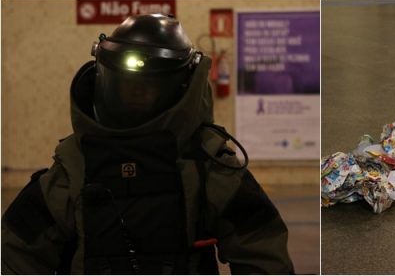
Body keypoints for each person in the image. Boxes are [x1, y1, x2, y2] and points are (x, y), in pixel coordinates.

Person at [1, 14, 294, 274]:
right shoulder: (74, 167)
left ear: (183, 85)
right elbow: (14, 253)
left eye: (149, 85)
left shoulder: (208, 166)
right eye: (127, 84)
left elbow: (262, 254)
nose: (137, 94)